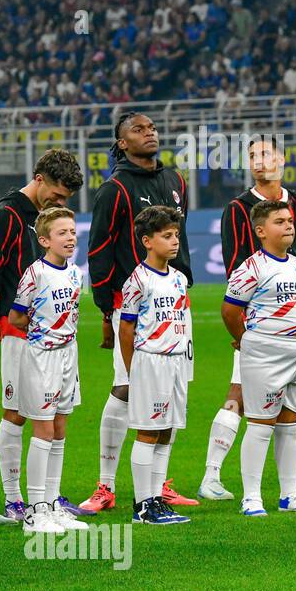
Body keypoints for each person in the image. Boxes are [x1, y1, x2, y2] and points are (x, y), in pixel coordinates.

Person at [201, 137, 296, 501]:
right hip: (263, 323)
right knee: (241, 396)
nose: (258, 160)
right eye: (252, 156)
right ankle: (212, 475)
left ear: (282, 159)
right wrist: (247, 327)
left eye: (265, 153)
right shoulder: (239, 209)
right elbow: (235, 266)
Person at [83, 112, 196, 512]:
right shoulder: (115, 188)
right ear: (122, 143)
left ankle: (160, 484)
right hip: (131, 304)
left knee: (171, 391)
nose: (149, 133)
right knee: (125, 388)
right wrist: (105, 307)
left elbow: (180, 244)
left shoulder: (175, 180)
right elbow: (99, 247)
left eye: (151, 128)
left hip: (174, 303)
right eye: (138, 130)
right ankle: (105, 485)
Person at [0, 148, 85, 523]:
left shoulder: (46, 221)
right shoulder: (7, 216)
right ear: (39, 180)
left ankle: (49, 499)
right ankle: (13, 498)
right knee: (16, 413)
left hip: (55, 337)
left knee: (54, 416)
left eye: (65, 201)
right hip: (19, 331)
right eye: (56, 195)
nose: (58, 203)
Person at [221, 200, 296, 517]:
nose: (290, 225)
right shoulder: (251, 268)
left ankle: (290, 494)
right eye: (280, 221)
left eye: (291, 220)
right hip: (264, 353)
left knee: (291, 424)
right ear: (261, 231)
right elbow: (229, 310)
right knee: (260, 423)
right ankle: (251, 497)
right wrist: (245, 340)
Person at [6, 208, 88, 534]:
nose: (70, 238)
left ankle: (53, 504)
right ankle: (35, 512)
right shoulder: (35, 274)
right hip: (42, 356)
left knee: (60, 428)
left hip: (70, 354)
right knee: (43, 431)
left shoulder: (74, 274)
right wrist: (42, 332)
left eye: (72, 232)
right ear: (44, 240)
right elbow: (15, 317)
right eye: (62, 233)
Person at [118, 206, 193, 525]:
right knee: (148, 432)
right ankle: (142, 505)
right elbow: (126, 328)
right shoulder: (138, 279)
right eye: (167, 236)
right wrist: (134, 368)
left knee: (166, 432)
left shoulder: (178, 278)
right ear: (147, 241)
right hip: (151, 360)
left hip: (175, 361)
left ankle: (157, 499)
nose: (174, 241)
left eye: (176, 235)